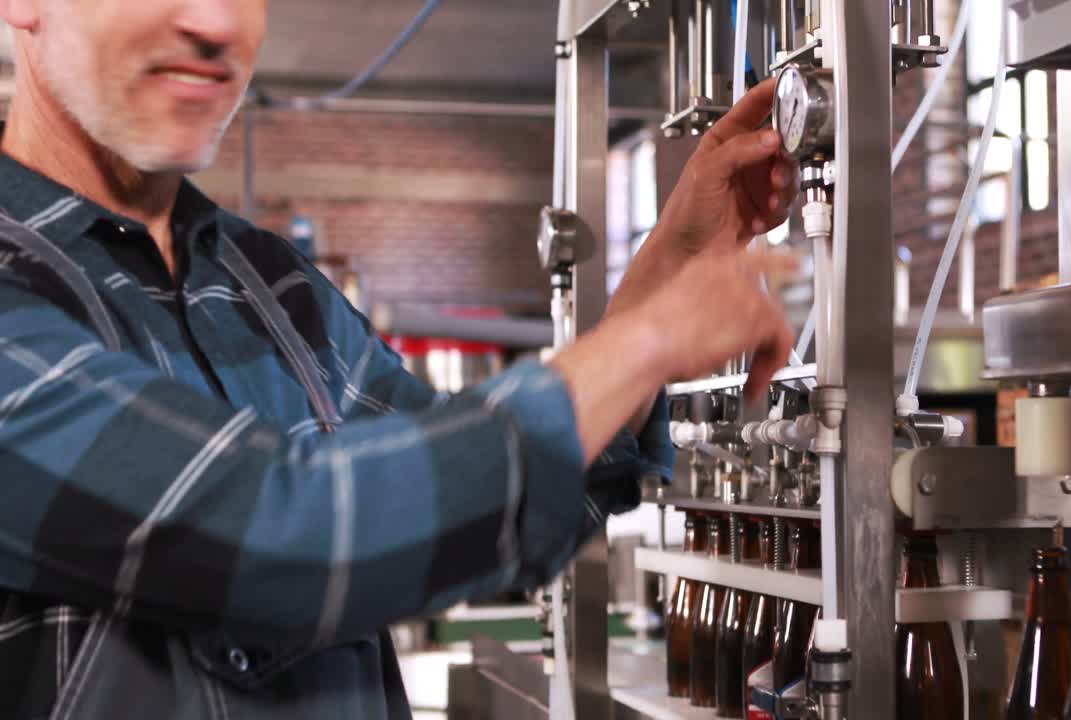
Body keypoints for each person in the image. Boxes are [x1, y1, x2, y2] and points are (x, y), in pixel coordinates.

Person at [0, 1, 800, 718]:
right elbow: (286, 533)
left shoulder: (272, 284)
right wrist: (649, 339)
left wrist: (669, 269)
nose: (213, 23)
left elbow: (465, 486)